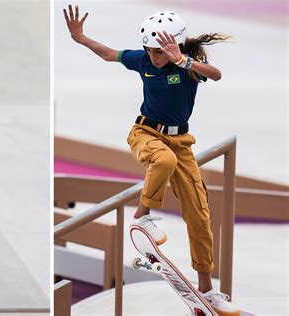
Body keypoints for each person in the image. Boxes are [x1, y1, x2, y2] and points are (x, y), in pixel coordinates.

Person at [64, 4, 240, 315]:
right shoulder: (142, 60)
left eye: (159, 53)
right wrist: (82, 38)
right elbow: (109, 54)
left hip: (181, 142)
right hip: (145, 133)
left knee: (200, 217)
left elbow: (217, 74)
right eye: (150, 52)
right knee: (163, 161)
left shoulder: (188, 67)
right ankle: (142, 216)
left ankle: (208, 289)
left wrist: (183, 61)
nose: (154, 59)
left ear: (176, 45)